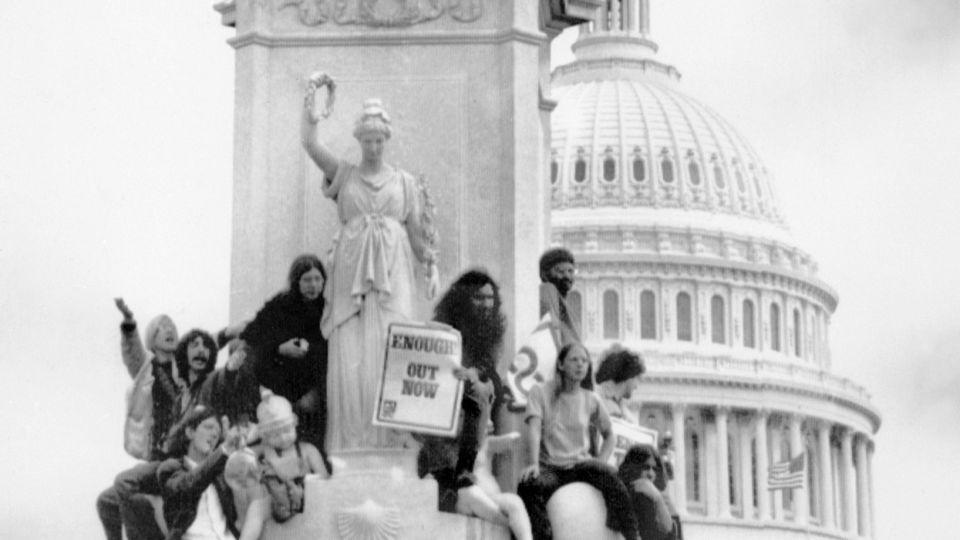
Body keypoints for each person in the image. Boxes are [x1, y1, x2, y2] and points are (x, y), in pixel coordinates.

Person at [300, 72, 440, 451]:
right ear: (359, 141)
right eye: (368, 140)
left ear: (386, 141)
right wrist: (311, 106)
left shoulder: (404, 182)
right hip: (351, 278)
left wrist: (431, 267)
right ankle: (351, 443)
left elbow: (417, 235)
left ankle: (392, 443)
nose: (374, 146)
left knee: (391, 351)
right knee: (351, 356)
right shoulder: (344, 174)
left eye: (380, 140)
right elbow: (310, 144)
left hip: (393, 278)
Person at [417, 270, 531, 540]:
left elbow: (489, 379)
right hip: (445, 406)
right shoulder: (446, 326)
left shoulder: (491, 336)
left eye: (490, 298)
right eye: (479, 297)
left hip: (473, 401)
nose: (486, 304)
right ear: (464, 298)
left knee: (510, 503)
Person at [517, 343, 638, 540]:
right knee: (528, 486)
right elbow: (534, 429)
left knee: (614, 481)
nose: (580, 365)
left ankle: (632, 536)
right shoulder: (540, 392)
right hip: (551, 469)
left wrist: (601, 459)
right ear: (561, 364)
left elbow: (609, 435)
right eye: (574, 359)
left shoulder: (591, 399)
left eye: (584, 361)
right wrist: (533, 463)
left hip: (581, 466)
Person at [240, 254, 328, 450]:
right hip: (280, 384)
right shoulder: (281, 304)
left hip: (313, 387)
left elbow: (331, 348)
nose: (313, 285)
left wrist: (311, 349)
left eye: (317, 279)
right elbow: (251, 334)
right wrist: (280, 348)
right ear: (297, 281)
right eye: (306, 280)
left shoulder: (328, 307)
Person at [157, 406, 246, 540]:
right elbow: (188, 486)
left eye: (217, 431)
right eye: (208, 427)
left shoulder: (222, 471)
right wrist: (223, 450)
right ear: (190, 432)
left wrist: (238, 452)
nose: (214, 434)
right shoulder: (169, 468)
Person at [618, 445, 675, 540]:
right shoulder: (629, 496)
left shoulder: (657, 496)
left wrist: (658, 498)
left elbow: (669, 530)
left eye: (655, 469)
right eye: (646, 467)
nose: (651, 474)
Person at [538, 248, 580, 347]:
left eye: (570, 271)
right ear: (544, 274)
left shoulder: (563, 302)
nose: (567, 276)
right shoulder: (547, 289)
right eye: (560, 271)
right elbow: (552, 326)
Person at [595, 345, 645, 425]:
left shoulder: (624, 412)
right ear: (630, 377)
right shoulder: (595, 398)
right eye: (637, 379)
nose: (636, 386)